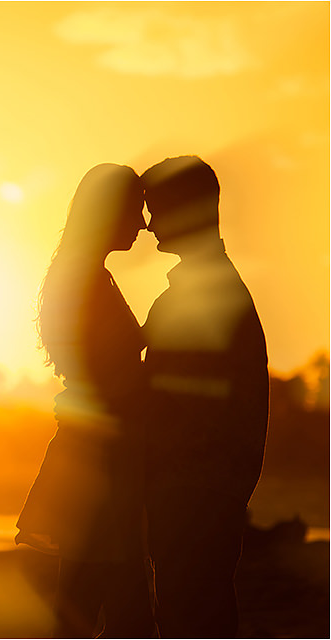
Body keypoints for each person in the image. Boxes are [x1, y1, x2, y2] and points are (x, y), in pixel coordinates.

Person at [16, 164, 155, 638]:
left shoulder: (86, 276)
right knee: (101, 604)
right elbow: (103, 381)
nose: (142, 223)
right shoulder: (84, 282)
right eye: (134, 212)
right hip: (100, 464)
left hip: (96, 455)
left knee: (97, 600)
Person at [141, 156, 269, 638]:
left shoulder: (206, 294)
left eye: (157, 209)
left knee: (191, 616)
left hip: (194, 492)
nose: (150, 226)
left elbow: (180, 405)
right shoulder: (207, 287)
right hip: (204, 491)